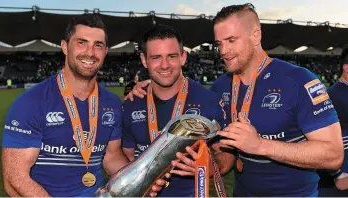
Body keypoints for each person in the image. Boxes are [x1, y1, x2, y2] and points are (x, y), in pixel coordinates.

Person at [126, 4, 344, 197]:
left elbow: (333, 155)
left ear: (256, 35)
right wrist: (146, 84)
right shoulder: (220, 88)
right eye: (219, 43)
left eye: (231, 40)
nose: (224, 51)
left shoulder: (298, 80)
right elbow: (223, 152)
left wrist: (261, 145)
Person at [1, 14, 165, 197]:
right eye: (82, 42)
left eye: (98, 45)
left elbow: (111, 157)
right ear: (65, 47)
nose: (90, 52)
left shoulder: (111, 104)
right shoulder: (31, 102)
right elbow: (15, 178)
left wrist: (142, 180)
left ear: (105, 51)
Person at [121, 24, 227, 197]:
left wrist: (209, 167)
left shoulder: (209, 101)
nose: (164, 65)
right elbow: (127, 156)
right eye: (156, 57)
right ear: (144, 60)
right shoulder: (132, 104)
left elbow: (225, 154)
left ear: (183, 57)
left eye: (171, 56)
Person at [318, 46, 348, 196]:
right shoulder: (333, 96)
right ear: (346, 67)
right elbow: (322, 138)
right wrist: (340, 173)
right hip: (335, 183)